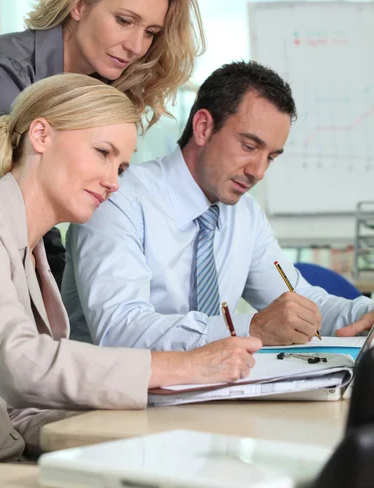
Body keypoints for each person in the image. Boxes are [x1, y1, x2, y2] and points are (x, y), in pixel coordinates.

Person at [0, 73, 260, 463]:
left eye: (122, 167)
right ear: (41, 135)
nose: (113, 183)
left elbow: (14, 407)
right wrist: (182, 366)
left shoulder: (29, 244)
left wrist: (148, 424)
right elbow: (22, 367)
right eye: (102, 153)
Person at [62, 61, 374, 350]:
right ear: (203, 127)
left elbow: (301, 302)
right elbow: (119, 330)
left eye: (271, 157)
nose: (258, 172)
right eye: (249, 146)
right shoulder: (117, 198)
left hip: (210, 398)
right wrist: (249, 329)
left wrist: (367, 313)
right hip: (111, 400)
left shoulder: (244, 213)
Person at [0, 0, 205, 286]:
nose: (136, 46)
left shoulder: (97, 93)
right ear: (80, 5)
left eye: (150, 32)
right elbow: (25, 200)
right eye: (125, 21)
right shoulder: (1, 72)